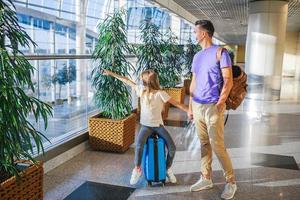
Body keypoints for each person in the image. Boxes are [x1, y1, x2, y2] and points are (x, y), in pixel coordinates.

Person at [102, 69, 188, 185]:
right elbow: (126, 80)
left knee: (172, 147)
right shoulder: (141, 90)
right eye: (145, 76)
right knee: (139, 146)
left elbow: (177, 103)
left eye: (147, 76)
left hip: (158, 126)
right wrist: (111, 73)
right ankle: (137, 169)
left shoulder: (160, 93)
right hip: (146, 126)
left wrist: (189, 110)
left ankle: (167, 168)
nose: (145, 78)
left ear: (151, 80)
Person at [188, 20, 237, 200]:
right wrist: (190, 106)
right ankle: (206, 178)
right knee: (204, 144)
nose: (194, 35)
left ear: (204, 34)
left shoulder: (220, 52)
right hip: (197, 106)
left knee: (218, 146)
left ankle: (231, 182)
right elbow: (194, 82)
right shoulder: (197, 56)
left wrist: (221, 101)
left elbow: (228, 79)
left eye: (195, 32)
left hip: (213, 106)